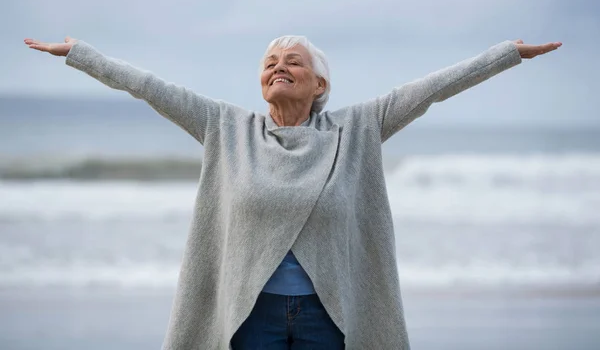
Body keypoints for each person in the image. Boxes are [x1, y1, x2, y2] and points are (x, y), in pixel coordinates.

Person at [24, 35, 561, 349]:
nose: (279, 67)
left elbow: (433, 90)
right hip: (248, 316)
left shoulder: (359, 129)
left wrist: (508, 53)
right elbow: (148, 87)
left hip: (328, 317)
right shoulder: (225, 127)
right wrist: (80, 53)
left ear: (320, 84)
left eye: (293, 62)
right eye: (269, 64)